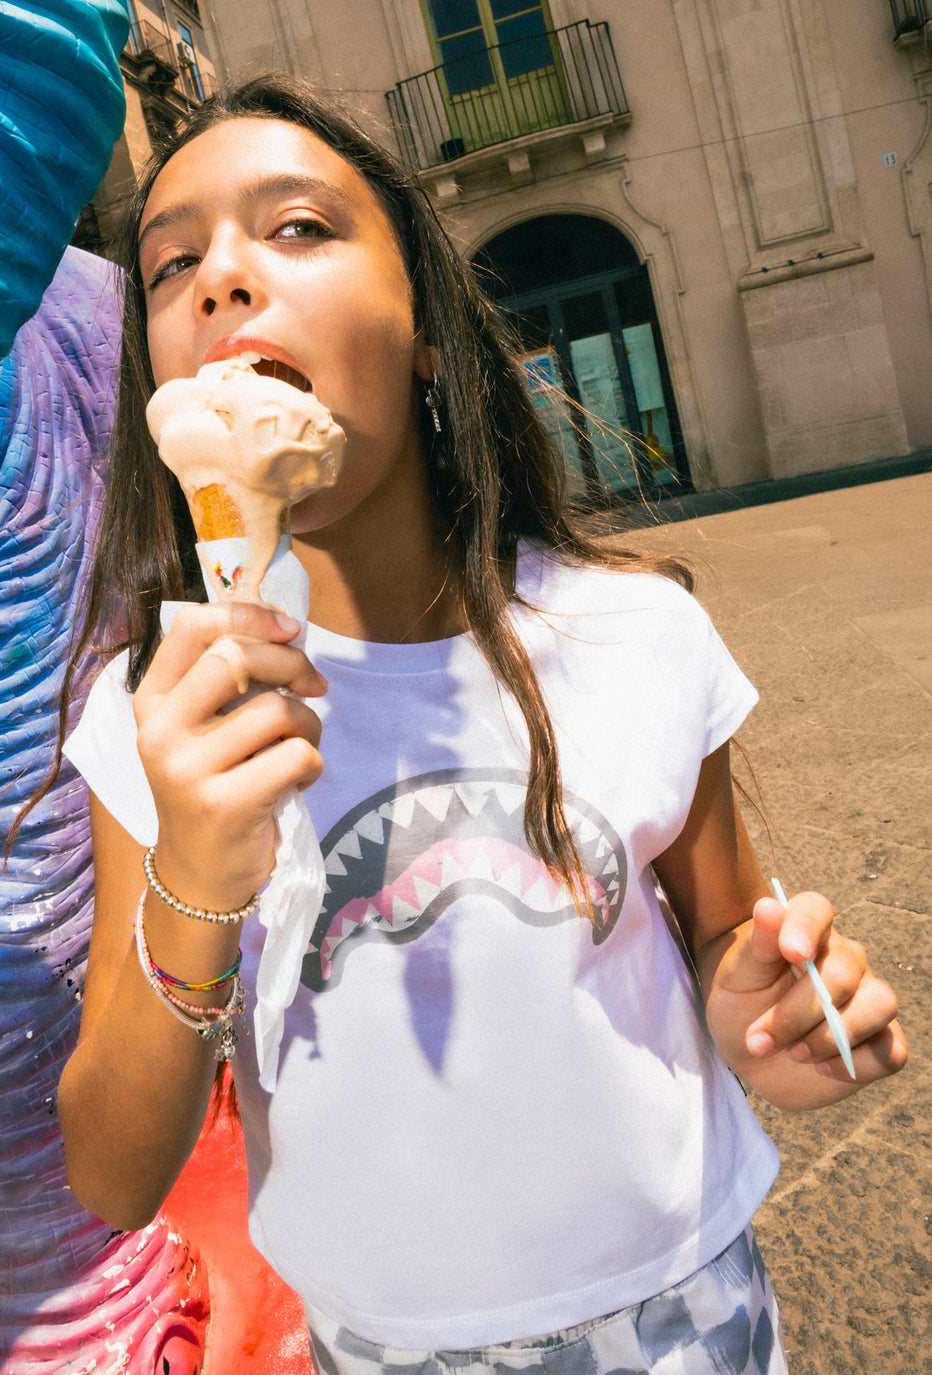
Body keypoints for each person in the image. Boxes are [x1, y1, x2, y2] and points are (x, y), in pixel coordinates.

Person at [58, 74, 907, 1375]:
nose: (220, 276)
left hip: (687, 1317)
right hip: (385, 1349)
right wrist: (194, 881)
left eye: (296, 228)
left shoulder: (636, 633)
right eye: (171, 264)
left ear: (426, 332)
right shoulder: (157, 712)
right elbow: (114, 1176)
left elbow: (727, 929)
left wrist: (769, 1005)